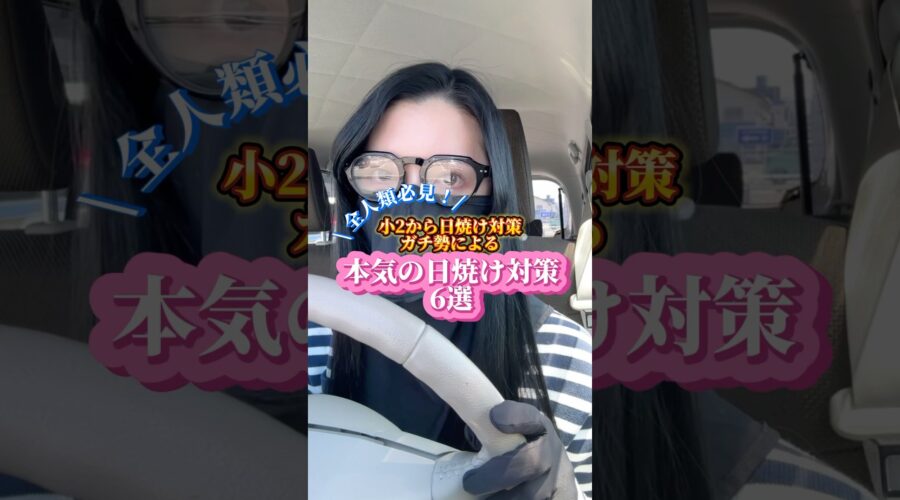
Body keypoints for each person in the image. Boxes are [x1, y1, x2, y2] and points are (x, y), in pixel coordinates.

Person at [307, 63, 593, 499]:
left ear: (493, 200)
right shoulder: (305, 334)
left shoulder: (568, 359)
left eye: (452, 177)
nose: (412, 200)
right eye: (380, 173)